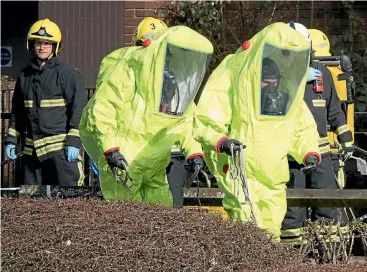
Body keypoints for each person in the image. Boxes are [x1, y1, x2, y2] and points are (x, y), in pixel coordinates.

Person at [193, 22, 321, 240]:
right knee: (245, 224)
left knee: (271, 225)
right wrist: (221, 141)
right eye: (266, 82)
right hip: (241, 168)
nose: (270, 87)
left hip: (273, 173)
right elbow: (209, 116)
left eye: (274, 81)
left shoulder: (285, 97)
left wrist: (309, 151)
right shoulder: (235, 74)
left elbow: (301, 125)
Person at [79, 22, 213, 207]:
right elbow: (103, 111)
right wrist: (111, 149)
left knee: (162, 219)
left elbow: (186, 121)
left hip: (156, 162)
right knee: (127, 219)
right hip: (126, 160)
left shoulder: (171, 85)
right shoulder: (125, 72)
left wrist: (195, 152)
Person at [280, 23, 354, 245]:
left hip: (322, 154)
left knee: (327, 206)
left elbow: (334, 112)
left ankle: (326, 254)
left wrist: (346, 141)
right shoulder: (277, 77)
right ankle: (292, 256)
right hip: (292, 156)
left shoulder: (323, 75)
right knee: (293, 210)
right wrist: (298, 80)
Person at [3, 18, 87, 186]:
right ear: (31, 45)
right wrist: (11, 140)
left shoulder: (68, 74)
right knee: (31, 205)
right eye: (38, 43)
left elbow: (79, 111)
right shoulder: (24, 76)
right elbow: (18, 113)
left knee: (69, 203)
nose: (42, 47)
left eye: (47, 43)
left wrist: (73, 142)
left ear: (55, 47)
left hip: (61, 153)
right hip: (32, 154)